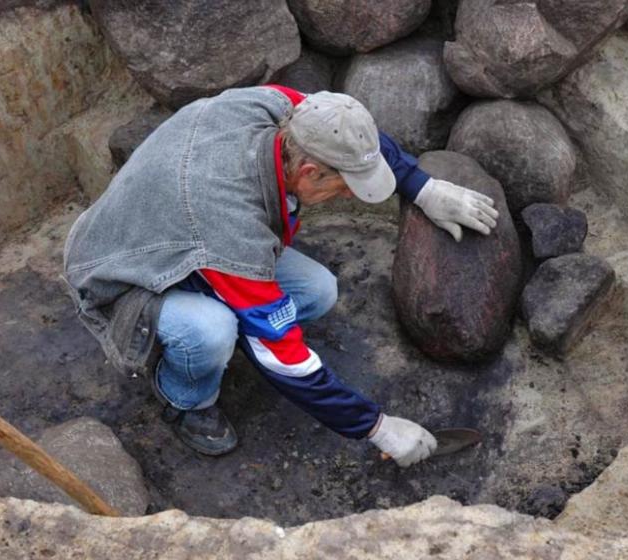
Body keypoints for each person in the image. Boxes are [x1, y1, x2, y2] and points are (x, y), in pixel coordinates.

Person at [62, 85, 498, 467]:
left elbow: (354, 139)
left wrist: (425, 188)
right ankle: (184, 397)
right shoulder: (226, 216)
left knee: (318, 290)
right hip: (123, 273)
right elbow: (284, 355)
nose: (350, 195)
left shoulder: (286, 110)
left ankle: (229, 316)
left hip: (174, 234)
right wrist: (376, 427)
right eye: (343, 187)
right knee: (211, 331)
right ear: (309, 172)